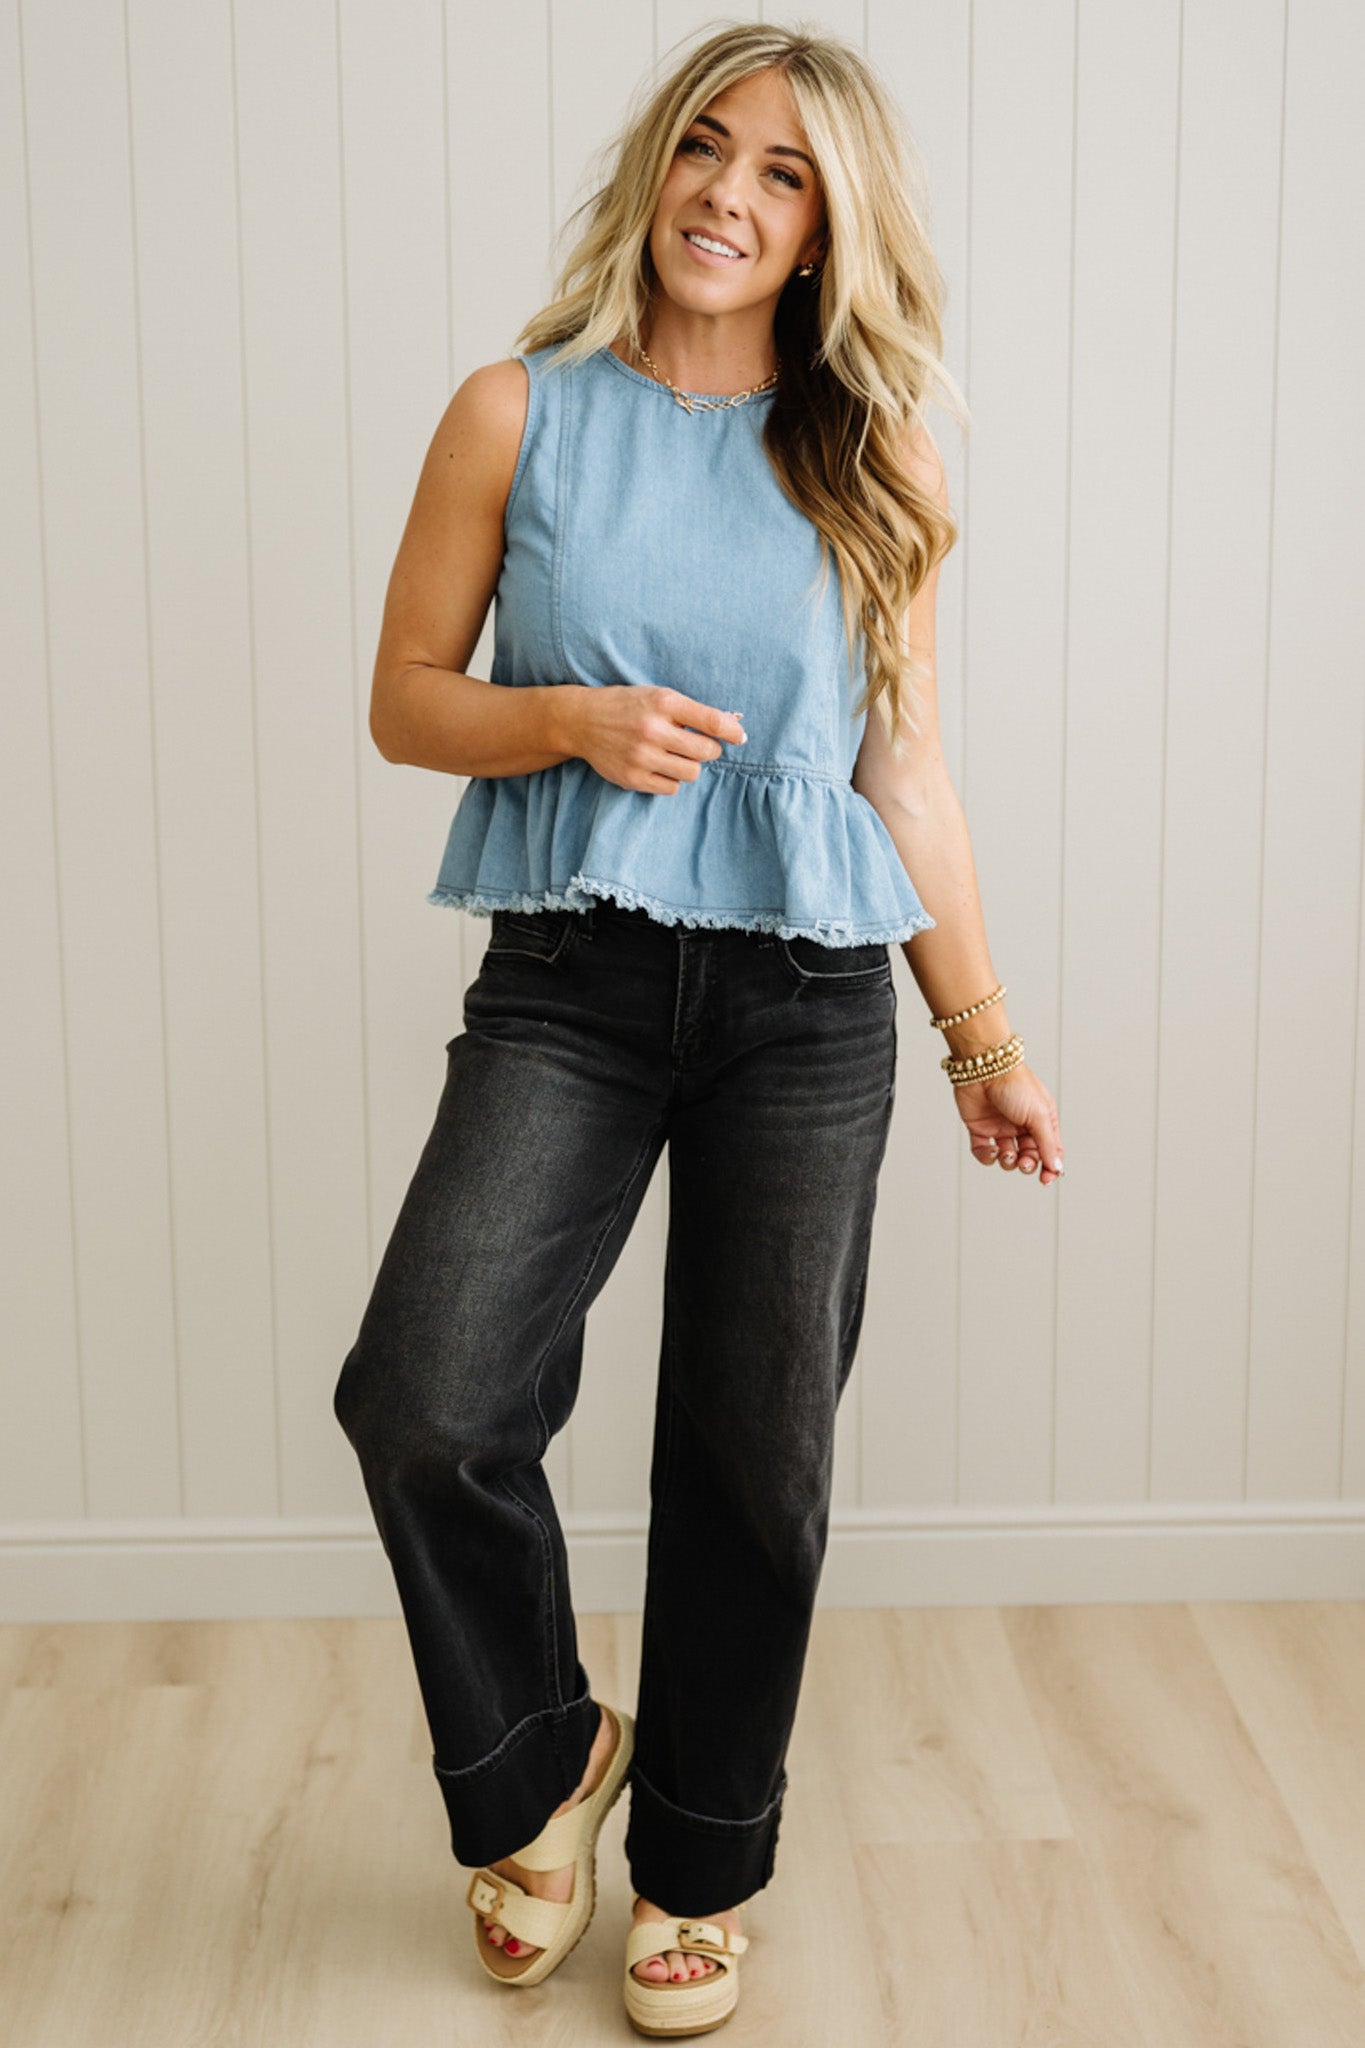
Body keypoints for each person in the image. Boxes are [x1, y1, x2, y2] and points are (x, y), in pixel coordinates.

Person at [333, 19, 1065, 2037]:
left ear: (831, 227)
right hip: (566, 974)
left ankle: (698, 1860)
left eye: (784, 174)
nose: (728, 196)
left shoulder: (878, 450)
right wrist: (565, 717)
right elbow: (406, 695)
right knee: (424, 1391)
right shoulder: (517, 411)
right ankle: (542, 1753)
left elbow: (906, 781)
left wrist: (981, 1036)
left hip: (808, 1002)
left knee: (755, 1451)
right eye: (706, 148)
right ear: (655, 166)